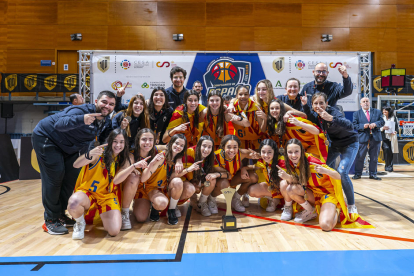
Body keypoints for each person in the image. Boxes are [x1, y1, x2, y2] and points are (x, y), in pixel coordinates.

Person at [32, 90, 116, 235]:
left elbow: (105, 138)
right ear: (96, 102)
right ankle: (50, 220)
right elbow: (59, 124)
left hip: (69, 146)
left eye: (111, 104)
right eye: (104, 102)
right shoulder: (80, 110)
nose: (107, 106)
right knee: (55, 177)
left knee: (72, 177)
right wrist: (82, 119)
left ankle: (60, 215)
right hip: (47, 138)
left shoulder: (105, 120)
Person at [278, 139, 373, 230]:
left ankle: (336, 211)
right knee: (288, 187)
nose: (293, 155)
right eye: (290, 152)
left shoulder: (312, 161)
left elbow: (338, 176)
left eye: (296, 151)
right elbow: (298, 182)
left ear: (302, 151)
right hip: (312, 194)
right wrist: (288, 177)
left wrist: (326, 171)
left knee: (326, 226)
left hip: (327, 195)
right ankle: (311, 211)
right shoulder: (290, 163)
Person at [302, 92, 359, 214]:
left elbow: (349, 125)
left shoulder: (334, 112)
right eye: (315, 103)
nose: (319, 106)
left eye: (321, 103)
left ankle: (351, 205)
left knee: (342, 172)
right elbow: (309, 117)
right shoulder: (315, 115)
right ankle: (328, 196)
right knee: (319, 167)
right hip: (334, 145)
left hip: (350, 144)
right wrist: (305, 106)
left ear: (327, 104)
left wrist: (331, 118)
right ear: (312, 105)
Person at [113, 128, 182, 229]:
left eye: (150, 139)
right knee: (141, 218)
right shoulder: (131, 155)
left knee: (161, 203)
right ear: (138, 140)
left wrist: (179, 160)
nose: (147, 142)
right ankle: (125, 212)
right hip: (138, 189)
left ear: (154, 141)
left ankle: (155, 206)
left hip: (153, 188)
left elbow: (177, 149)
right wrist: (132, 167)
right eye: (144, 139)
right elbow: (116, 180)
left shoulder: (159, 149)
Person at [68, 128, 129, 239]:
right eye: (115, 141)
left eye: (121, 142)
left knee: (114, 231)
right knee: (73, 203)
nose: (118, 145)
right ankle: (80, 223)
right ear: (109, 141)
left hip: (106, 197)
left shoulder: (121, 158)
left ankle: (107, 217)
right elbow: (76, 165)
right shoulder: (98, 154)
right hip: (88, 194)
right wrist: (89, 154)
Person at [141, 134, 192, 225]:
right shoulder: (161, 157)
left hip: (166, 187)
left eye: (181, 145)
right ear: (171, 143)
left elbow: (172, 177)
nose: (178, 147)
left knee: (178, 181)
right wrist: (151, 164)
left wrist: (187, 169)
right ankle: (155, 207)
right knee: (161, 203)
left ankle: (171, 209)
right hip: (153, 187)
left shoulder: (179, 159)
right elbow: (144, 178)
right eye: (176, 143)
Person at [212, 135, 261, 212]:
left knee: (253, 177)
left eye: (235, 147)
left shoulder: (241, 153)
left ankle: (235, 199)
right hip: (220, 180)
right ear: (223, 147)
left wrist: (257, 156)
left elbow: (261, 156)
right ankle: (211, 199)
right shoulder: (215, 156)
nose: (232, 150)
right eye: (228, 147)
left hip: (233, 178)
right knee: (224, 183)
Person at [179, 136, 219, 216]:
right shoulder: (190, 152)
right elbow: (186, 175)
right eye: (204, 146)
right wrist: (196, 185)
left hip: (198, 180)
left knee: (211, 180)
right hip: (184, 179)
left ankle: (202, 203)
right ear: (199, 145)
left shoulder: (211, 156)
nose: (206, 150)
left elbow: (216, 170)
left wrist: (216, 174)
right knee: (192, 188)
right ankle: (174, 205)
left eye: (209, 147)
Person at [352, 97, 385, 180]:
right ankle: (358, 174)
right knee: (360, 157)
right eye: (364, 101)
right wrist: (363, 126)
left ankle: (373, 174)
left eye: (367, 101)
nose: (365, 103)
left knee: (374, 157)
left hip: (375, 137)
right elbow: (354, 125)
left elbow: (382, 122)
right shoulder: (356, 114)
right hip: (363, 137)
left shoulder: (377, 112)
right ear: (361, 104)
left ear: (369, 103)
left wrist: (376, 124)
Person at [247, 139, 283, 212]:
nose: (266, 155)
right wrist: (244, 169)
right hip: (274, 189)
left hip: (286, 192)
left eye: (269, 152)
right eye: (263, 152)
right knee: (251, 190)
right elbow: (254, 167)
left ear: (275, 151)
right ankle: (274, 199)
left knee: (284, 183)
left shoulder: (282, 161)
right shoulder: (263, 160)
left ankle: (285, 204)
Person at [231, 85, 266, 150]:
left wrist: (265, 119)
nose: (243, 96)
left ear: (249, 95)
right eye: (240, 94)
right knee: (243, 159)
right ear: (236, 96)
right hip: (240, 138)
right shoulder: (232, 107)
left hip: (255, 138)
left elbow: (262, 129)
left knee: (256, 158)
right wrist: (231, 103)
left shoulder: (255, 106)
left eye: (246, 94)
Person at [381, 106, 399, 172]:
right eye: (383, 111)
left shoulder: (394, 118)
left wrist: (395, 131)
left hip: (392, 136)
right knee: (386, 149)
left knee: (391, 151)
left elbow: (397, 126)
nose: (384, 112)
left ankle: (390, 166)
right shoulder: (381, 118)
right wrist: (383, 128)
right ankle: (387, 165)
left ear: (389, 111)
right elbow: (379, 126)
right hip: (384, 136)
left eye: (386, 111)